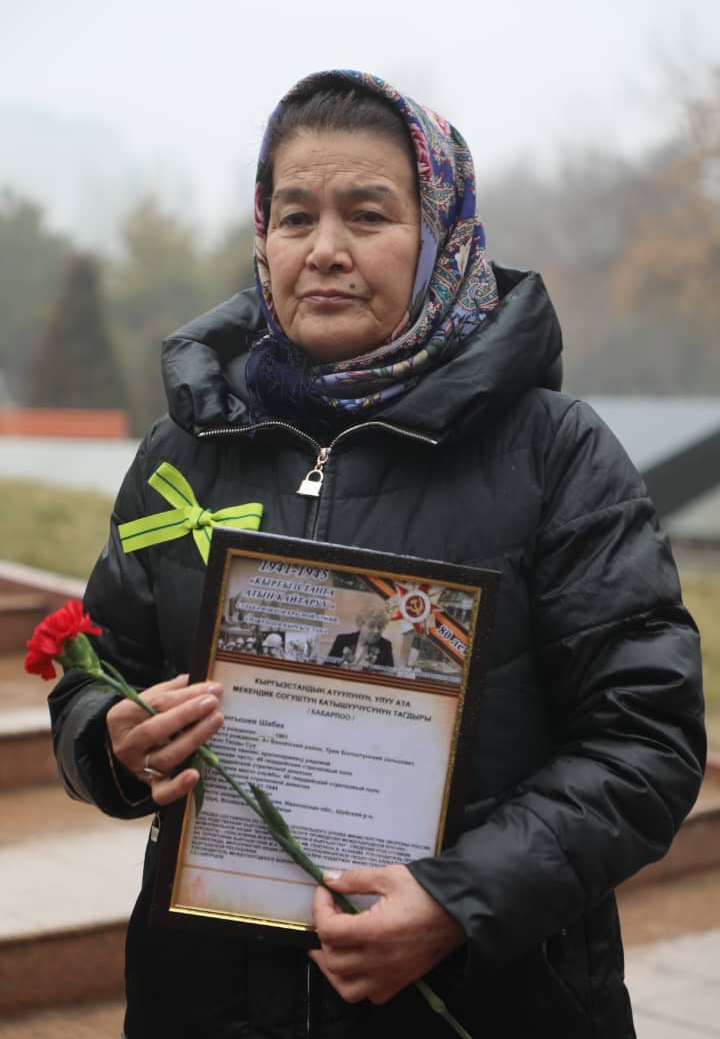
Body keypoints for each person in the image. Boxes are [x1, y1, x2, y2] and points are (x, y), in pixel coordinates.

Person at [48, 70, 705, 1039]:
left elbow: (647, 740)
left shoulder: (555, 453)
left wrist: (458, 902)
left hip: (489, 1003)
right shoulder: (184, 453)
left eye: (367, 215)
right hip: (209, 1002)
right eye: (295, 217)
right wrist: (109, 740)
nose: (325, 250)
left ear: (441, 235)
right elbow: (96, 674)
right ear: (262, 237)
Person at [326, 600, 394, 669]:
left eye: (380, 627)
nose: (376, 631)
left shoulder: (385, 646)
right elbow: (328, 667)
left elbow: (389, 673)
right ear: (360, 625)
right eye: (371, 626)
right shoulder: (342, 640)